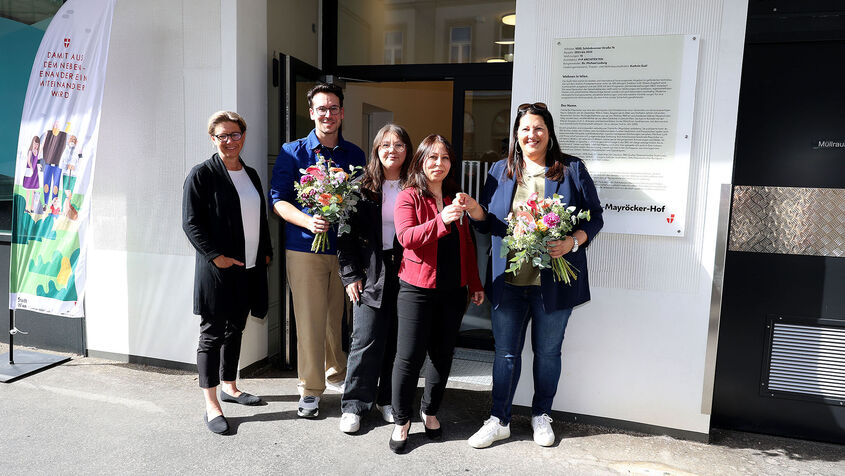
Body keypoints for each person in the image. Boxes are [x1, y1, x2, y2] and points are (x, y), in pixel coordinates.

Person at [461, 102, 603, 448]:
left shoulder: (570, 169)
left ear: (549, 133)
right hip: (508, 282)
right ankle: (499, 420)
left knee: (548, 353)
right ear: (516, 134)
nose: (532, 134)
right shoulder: (501, 170)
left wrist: (572, 242)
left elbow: (595, 216)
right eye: (525, 128)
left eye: (538, 128)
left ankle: (541, 415)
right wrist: (475, 210)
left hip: (553, 283)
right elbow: (489, 224)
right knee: (505, 354)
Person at [269, 82, 366, 418]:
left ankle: (335, 372)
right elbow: (278, 200)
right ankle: (310, 389)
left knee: (336, 317)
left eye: (333, 108)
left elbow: (361, 201)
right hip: (304, 249)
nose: (328, 114)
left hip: (343, 251)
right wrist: (308, 221)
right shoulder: (292, 152)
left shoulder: (354, 155)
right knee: (309, 319)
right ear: (312, 112)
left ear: (342, 112)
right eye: (322, 108)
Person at [388, 134, 485, 453]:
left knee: (442, 356)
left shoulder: (457, 197)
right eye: (432, 157)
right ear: (421, 161)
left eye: (444, 158)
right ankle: (402, 420)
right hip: (416, 289)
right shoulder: (409, 196)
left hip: (453, 290)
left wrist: (474, 283)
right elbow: (406, 237)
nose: (439, 163)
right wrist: (441, 220)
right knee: (409, 358)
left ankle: (429, 412)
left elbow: (467, 244)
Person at [182, 111, 272, 434]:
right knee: (212, 334)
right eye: (223, 136)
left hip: (249, 268)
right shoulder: (202, 175)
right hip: (218, 271)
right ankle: (211, 404)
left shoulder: (251, 174)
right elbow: (191, 223)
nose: (230, 141)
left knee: (236, 328)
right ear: (213, 139)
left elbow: (260, 217)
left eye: (235, 134)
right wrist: (215, 257)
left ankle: (229, 386)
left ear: (243, 136)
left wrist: (265, 251)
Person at [336, 124, 412, 434]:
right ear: (376, 150)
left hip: (406, 271)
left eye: (399, 144)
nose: (392, 150)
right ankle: (354, 404)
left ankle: (387, 400)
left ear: (407, 150)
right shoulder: (359, 186)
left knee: (396, 339)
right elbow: (344, 235)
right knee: (365, 339)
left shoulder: (415, 185)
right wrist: (350, 274)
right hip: (370, 270)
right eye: (386, 145)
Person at [22, 136, 41, 214]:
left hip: (35, 172)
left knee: (33, 191)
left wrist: (37, 166)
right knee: (28, 191)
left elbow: (37, 161)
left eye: (37, 144)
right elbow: (29, 161)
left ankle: (32, 208)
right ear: (32, 143)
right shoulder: (30, 151)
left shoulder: (37, 152)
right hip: (30, 171)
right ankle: (26, 208)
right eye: (35, 143)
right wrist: (31, 168)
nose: (36, 145)